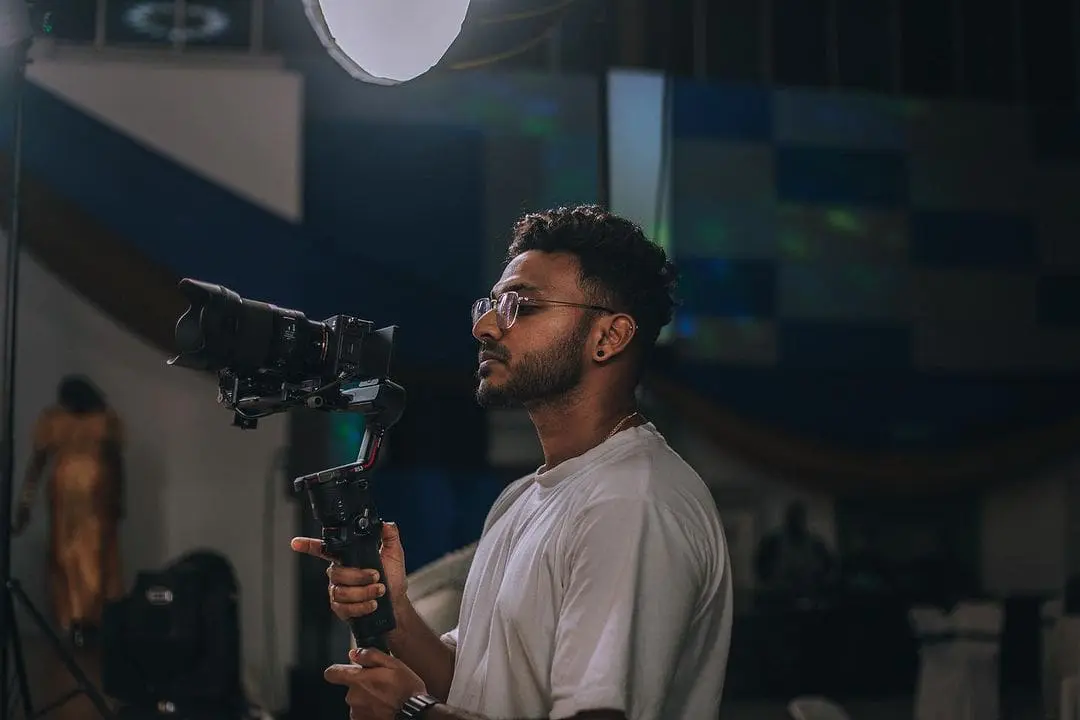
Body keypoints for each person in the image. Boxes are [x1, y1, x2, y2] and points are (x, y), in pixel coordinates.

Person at [292, 205, 733, 720]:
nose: (484, 327)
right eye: (491, 304)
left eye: (520, 306)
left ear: (609, 337)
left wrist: (412, 710)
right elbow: (475, 684)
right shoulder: (525, 496)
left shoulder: (631, 503)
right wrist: (394, 613)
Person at [12, 374, 125, 648]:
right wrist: (25, 503)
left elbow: (37, 464)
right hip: (76, 501)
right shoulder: (88, 420)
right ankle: (80, 622)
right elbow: (38, 463)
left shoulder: (92, 420)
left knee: (83, 559)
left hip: (90, 500)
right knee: (74, 559)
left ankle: (84, 621)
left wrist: (25, 503)